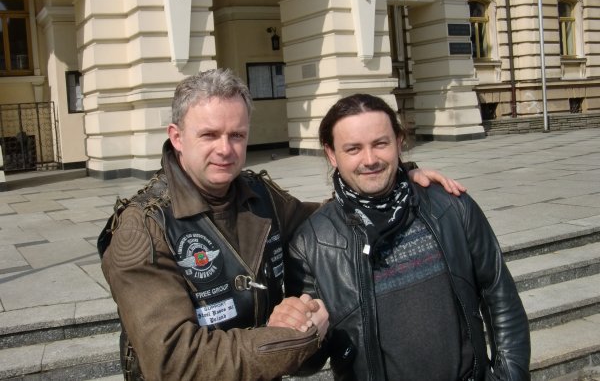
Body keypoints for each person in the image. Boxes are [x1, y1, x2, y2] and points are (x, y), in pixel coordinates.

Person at [98, 69, 464, 381]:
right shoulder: (144, 228)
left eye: (237, 135)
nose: (225, 149)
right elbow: (175, 362)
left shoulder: (261, 196)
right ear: (177, 137)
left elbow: (330, 220)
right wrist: (290, 339)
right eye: (209, 135)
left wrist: (392, 179)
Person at [287, 93, 531, 381]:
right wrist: (299, 338)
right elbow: (308, 364)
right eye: (353, 149)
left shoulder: (452, 206)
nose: (370, 160)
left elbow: (500, 297)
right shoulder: (311, 243)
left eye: (381, 144)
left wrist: (509, 376)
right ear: (331, 154)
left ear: (399, 141)